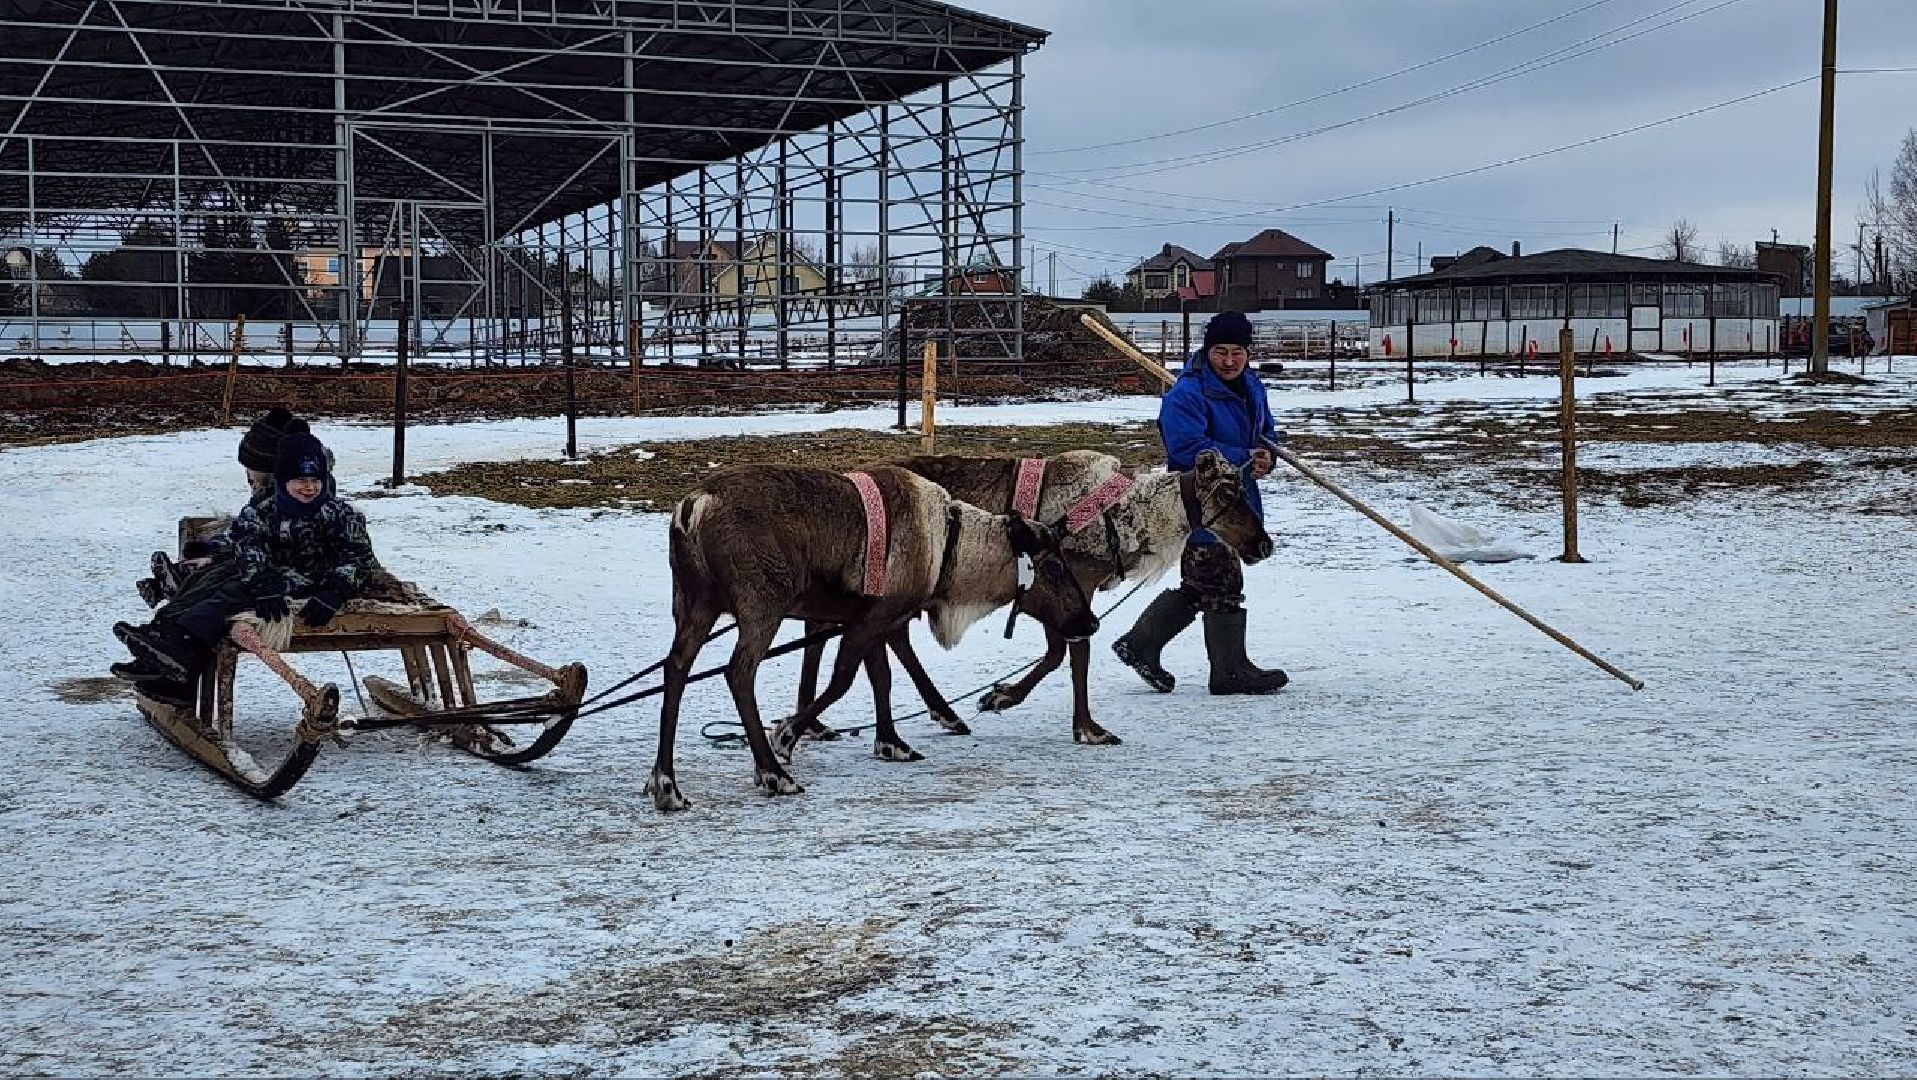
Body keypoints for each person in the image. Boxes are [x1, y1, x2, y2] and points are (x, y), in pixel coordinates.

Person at [113, 423, 379, 706]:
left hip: (317, 584)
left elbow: (360, 558)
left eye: (315, 480)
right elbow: (249, 544)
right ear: (283, 481)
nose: (309, 487)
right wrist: (261, 580)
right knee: (219, 594)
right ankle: (172, 655)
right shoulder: (264, 511)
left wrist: (336, 591)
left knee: (227, 594)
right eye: (300, 480)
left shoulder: (340, 514)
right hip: (276, 580)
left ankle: (176, 650)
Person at [1112, 310, 1288, 696]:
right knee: (1220, 581)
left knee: (1200, 585)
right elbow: (1186, 448)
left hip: (1238, 499)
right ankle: (1230, 671)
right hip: (1199, 501)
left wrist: (1266, 456)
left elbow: (1266, 433)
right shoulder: (1186, 395)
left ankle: (1140, 643)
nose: (1229, 361)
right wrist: (1242, 453)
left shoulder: (1252, 387)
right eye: (1220, 351)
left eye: (1237, 352)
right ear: (1207, 351)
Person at [137, 406, 299, 606]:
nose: (248, 477)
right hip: (266, 555)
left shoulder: (289, 495)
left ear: (270, 467)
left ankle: (177, 585)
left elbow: (252, 536)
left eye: (251, 469)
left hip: (281, 566)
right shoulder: (275, 489)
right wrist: (210, 547)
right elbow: (244, 528)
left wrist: (215, 550)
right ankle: (171, 581)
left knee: (226, 569)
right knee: (220, 559)